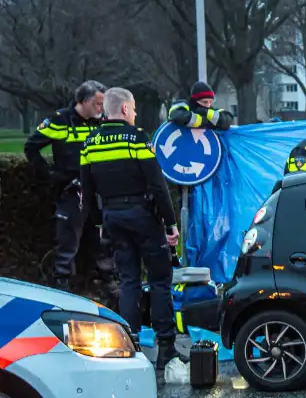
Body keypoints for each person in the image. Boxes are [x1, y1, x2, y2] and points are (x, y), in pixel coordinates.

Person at [79, 87, 180, 371]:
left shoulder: (90, 143)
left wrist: (99, 223)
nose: (134, 114)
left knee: (128, 282)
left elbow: (87, 193)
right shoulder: (136, 139)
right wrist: (170, 223)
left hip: (113, 217)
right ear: (124, 109)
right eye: (133, 109)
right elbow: (157, 185)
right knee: (160, 281)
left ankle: (131, 347)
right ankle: (166, 348)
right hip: (143, 217)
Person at [24, 80, 116, 293]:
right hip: (72, 191)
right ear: (82, 101)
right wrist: (50, 175)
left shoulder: (100, 122)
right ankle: (63, 287)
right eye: (98, 104)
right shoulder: (59, 121)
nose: (101, 109)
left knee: (102, 240)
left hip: (97, 192)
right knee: (68, 243)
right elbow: (31, 147)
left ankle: (108, 283)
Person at [168, 81, 234, 130]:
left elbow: (227, 121)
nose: (208, 105)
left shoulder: (213, 111)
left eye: (210, 102)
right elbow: (178, 117)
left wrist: (206, 112)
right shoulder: (182, 104)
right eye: (204, 102)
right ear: (195, 100)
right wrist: (204, 121)